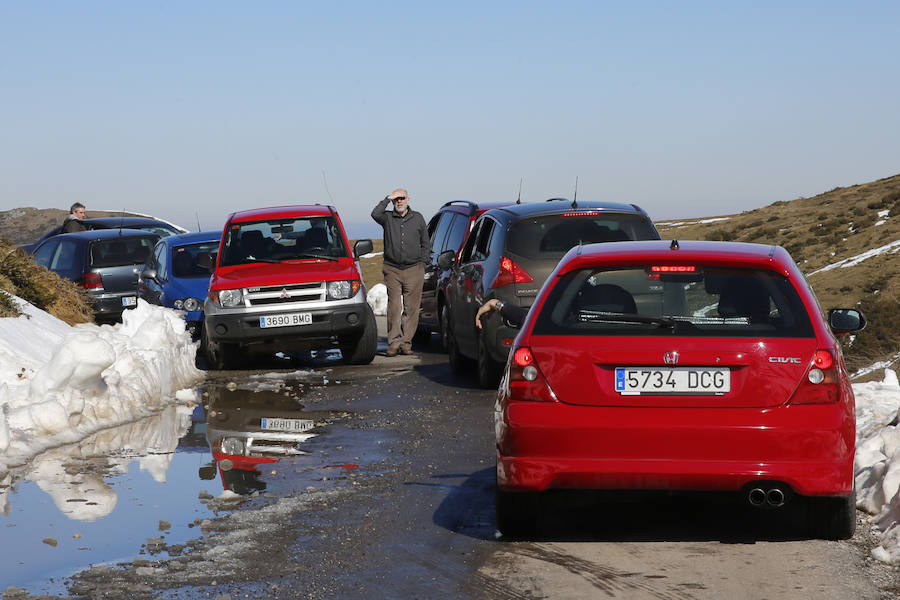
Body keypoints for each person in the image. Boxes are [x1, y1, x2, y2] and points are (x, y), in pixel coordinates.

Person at [372, 188, 429, 357]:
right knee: (394, 307)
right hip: (392, 270)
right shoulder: (387, 217)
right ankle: (394, 343)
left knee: (411, 309)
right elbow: (375, 213)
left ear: (408, 199)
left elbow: (425, 242)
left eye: (401, 198)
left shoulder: (417, 218)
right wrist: (387, 198)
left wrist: (423, 262)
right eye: (396, 199)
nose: (399, 201)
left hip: (414, 269)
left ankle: (406, 343)